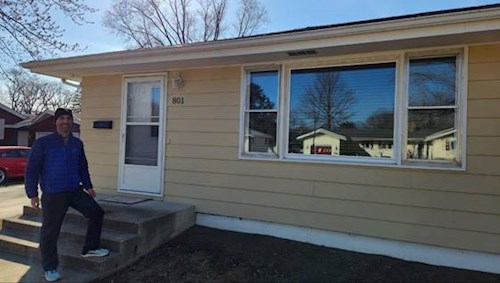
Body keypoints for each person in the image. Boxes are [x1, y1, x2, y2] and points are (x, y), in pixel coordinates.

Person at [25, 108, 109, 282]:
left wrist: (88, 186)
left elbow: (82, 167)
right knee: (50, 232)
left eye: (68, 118)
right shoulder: (43, 143)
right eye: (62, 118)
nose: (65, 121)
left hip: (73, 190)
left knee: (96, 212)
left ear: (72, 121)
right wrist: (32, 194)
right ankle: (50, 268)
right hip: (53, 193)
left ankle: (90, 248)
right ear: (55, 122)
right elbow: (32, 169)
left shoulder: (77, 144)